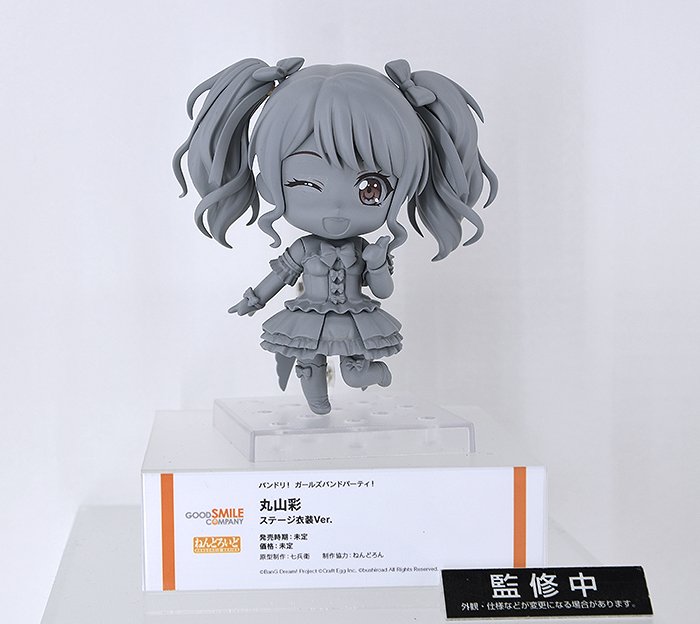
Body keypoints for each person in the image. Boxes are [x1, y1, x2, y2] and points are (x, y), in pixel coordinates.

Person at [174, 57, 497, 414]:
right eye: (305, 184)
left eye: (370, 188)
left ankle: (373, 375)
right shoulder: (303, 250)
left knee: (354, 372)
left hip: (354, 320)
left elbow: (383, 291)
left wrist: (377, 265)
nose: (337, 208)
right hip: (308, 318)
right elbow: (278, 277)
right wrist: (254, 300)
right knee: (308, 362)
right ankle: (317, 405)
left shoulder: (364, 249)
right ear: (267, 185)